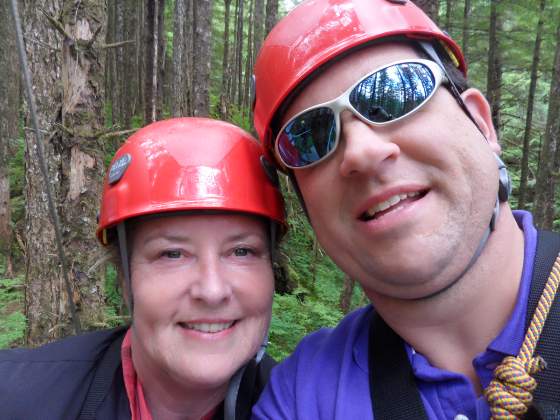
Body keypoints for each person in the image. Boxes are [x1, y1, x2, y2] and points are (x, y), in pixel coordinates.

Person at [251, 0, 560, 419]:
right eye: (311, 136)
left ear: (482, 124)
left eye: (396, 93)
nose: (361, 152)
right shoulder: (302, 398)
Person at [0, 117, 285, 420]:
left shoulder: (301, 406)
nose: (212, 290)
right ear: (124, 275)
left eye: (242, 251)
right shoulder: (19, 398)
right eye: (173, 254)